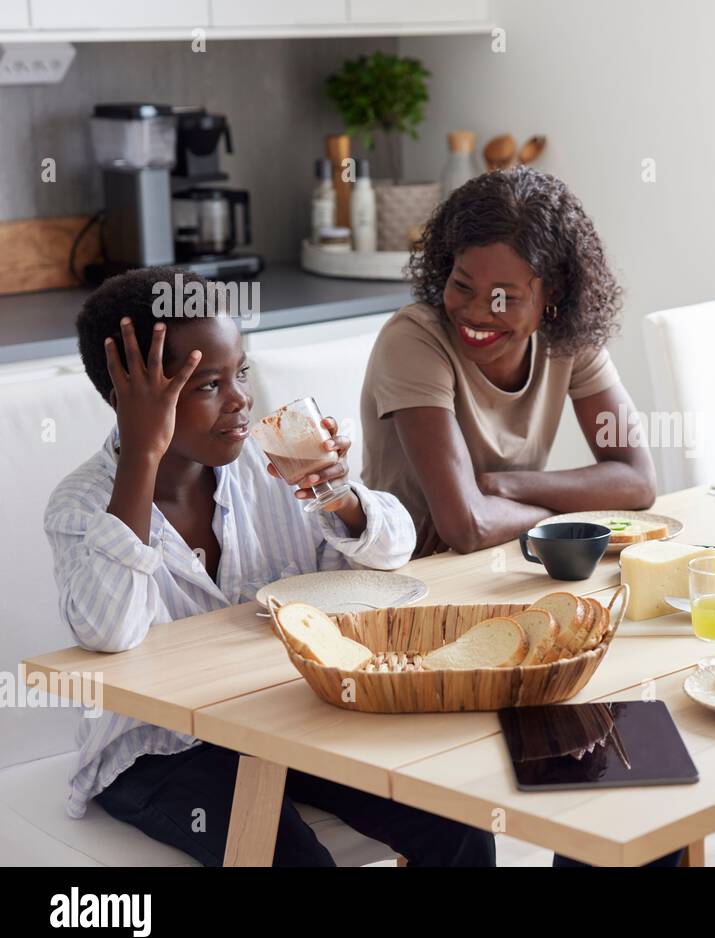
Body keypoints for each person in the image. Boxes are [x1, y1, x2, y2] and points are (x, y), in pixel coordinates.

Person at [45, 267, 494, 866]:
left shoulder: (269, 466)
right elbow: (109, 631)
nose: (241, 400)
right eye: (209, 385)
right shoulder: (80, 505)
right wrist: (142, 456)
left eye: (242, 372)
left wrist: (341, 496)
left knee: (456, 821)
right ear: (127, 400)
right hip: (158, 752)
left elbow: (392, 553)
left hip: (280, 719)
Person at [360, 167, 657, 556]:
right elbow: (467, 527)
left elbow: (638, 482)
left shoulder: (566, 337)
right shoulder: (414, 339)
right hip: (415, 579)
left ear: (552, 295)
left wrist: (504, 486)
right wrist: (562, 515)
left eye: (505, 297)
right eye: (462, 285)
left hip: (511, 563)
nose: (477, 312)